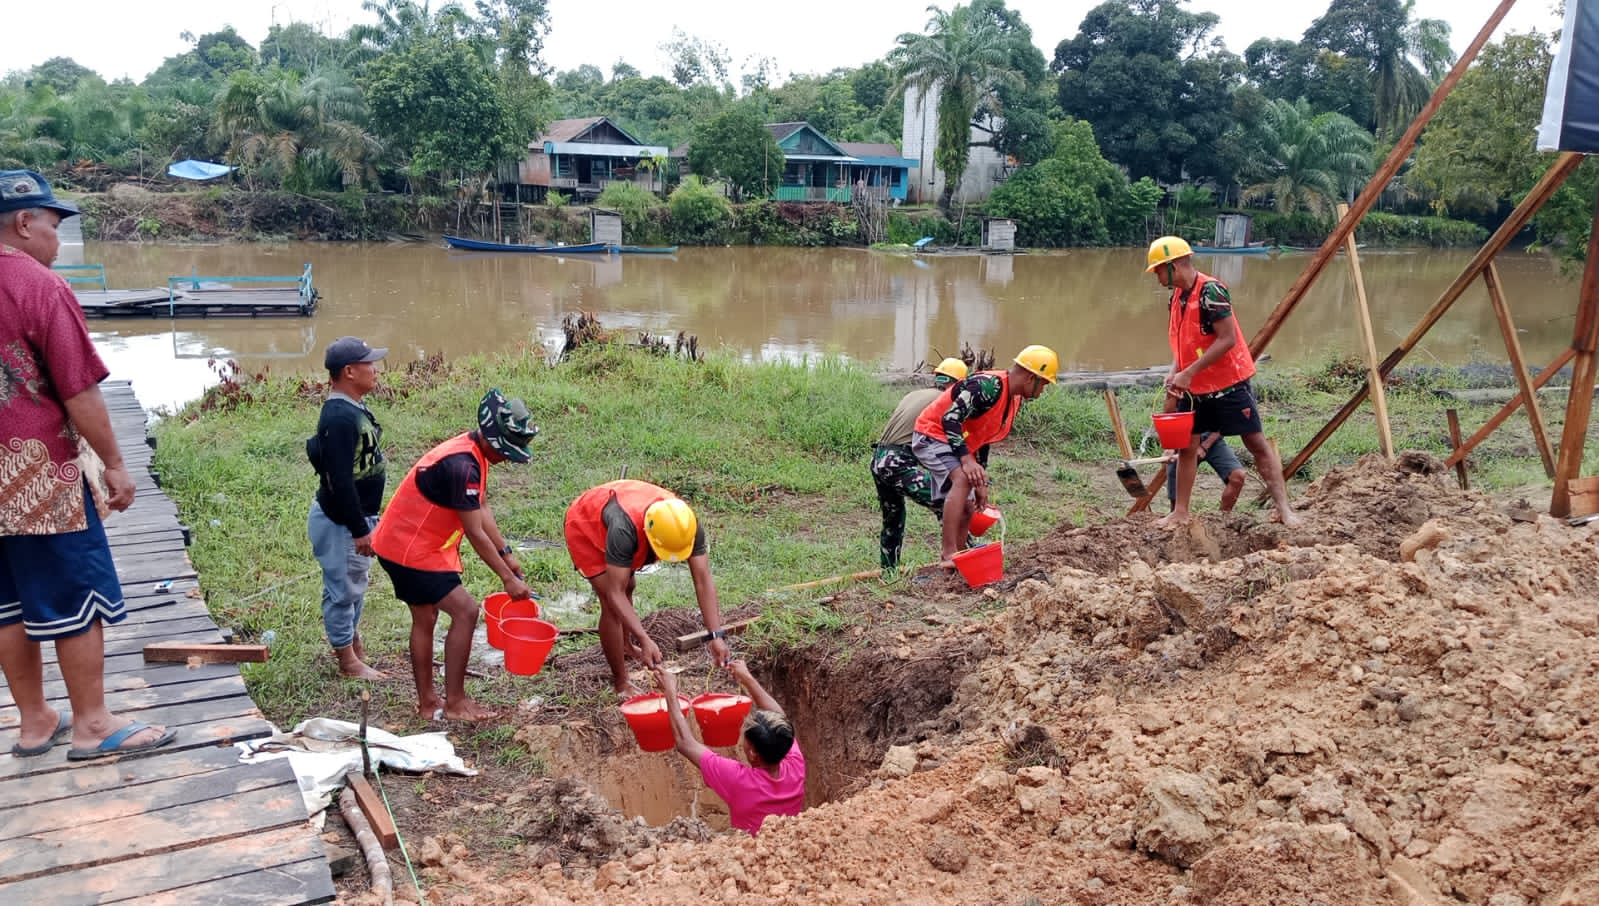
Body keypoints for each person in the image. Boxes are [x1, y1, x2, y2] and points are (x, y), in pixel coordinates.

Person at [0, 169, 177, 760]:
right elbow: (78, 389)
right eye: (54, 225)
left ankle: (33, 722)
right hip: (38, 475)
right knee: (74, 594)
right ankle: (93, 724)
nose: (57, 239)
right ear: (25, 222)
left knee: (7, 602)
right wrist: (116, 464)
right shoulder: (39, 286)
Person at [372, 389, 536, 721]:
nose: (507, 458)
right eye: (506, 450)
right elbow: (474, 531)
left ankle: (429, 703)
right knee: (466, 612)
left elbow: (482, 505)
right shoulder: (462, 466)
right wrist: (507, 579)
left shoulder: (473, 452)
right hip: (409, 550)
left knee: (426, 617)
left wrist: (506, 553)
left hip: (413, 544)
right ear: (491, 438)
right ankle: (455, 703)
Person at [1144, 236, 1300, 527]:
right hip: (1196, 390)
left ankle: (1284, 510)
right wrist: (1176, 370)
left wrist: (1189, 372)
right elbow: (1183, 342)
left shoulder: (1211, 291)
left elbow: (1227, 339)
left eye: (1158, 271)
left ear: (1174, 266)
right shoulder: (1176, 297)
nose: (1157, 278)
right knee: (1187, 447)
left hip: (1228, 384)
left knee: (1256, 443)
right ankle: (1180, 512)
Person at [563, 480, 730, 696]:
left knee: (628, 585)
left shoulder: (687, 525)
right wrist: (644, 638)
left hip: (626, 512)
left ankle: (625, 645)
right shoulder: (623, 530)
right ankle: (621, 682)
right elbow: (614, 593)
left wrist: (715, 635)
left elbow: (703, 579)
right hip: (586, 522)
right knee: (611, 603)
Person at [910, 346, 1057, 567]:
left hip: (955, 442)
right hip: (932, 434)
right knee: (962, 479)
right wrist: (967, 461)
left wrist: (980, 480)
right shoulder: (987, 386)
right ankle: (948, 553)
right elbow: (950, 419)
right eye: (1044, 384)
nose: (1043, 390)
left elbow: (983, 438)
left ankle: (960, 559)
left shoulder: (1012, 399)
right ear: (1030, 378)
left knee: (968, 504)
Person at [307, 336, 389, 680]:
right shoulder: (339, 417)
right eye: (369, 363)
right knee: (343, 591)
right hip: (342, 522)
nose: (375, 369)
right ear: (349, 372)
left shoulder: (353, 407)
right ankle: (347, 662)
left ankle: (351, 644)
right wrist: (358, 529)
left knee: (354, 583)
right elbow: (339, 480)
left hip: (355, 518)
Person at [650, 660, 805, 836]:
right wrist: (746, 678)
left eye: (745, 738)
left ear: (752, 753)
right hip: (787, 844)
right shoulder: (795, 764)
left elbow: (685, 743)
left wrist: (670, 692)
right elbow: (779, 718)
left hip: (750, 850)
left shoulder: (739, 780)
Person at [871, 357, 968, 571]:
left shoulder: (914, 395)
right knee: (950, 503)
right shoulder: (944, 402)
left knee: (893, 518)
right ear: (958, 385)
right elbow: (944, 444)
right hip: (899, 462)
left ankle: (889, 571)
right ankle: (965, 560)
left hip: (879, 459)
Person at [1166, 431, 1245, 512]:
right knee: (1176, 481)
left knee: (1237, 476)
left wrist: (1204, 446)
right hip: (1184, 440)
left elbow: (1222, 426)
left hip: (1213, 440)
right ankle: (1177, 513)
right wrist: (1170, 446)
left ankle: (1223, 516)